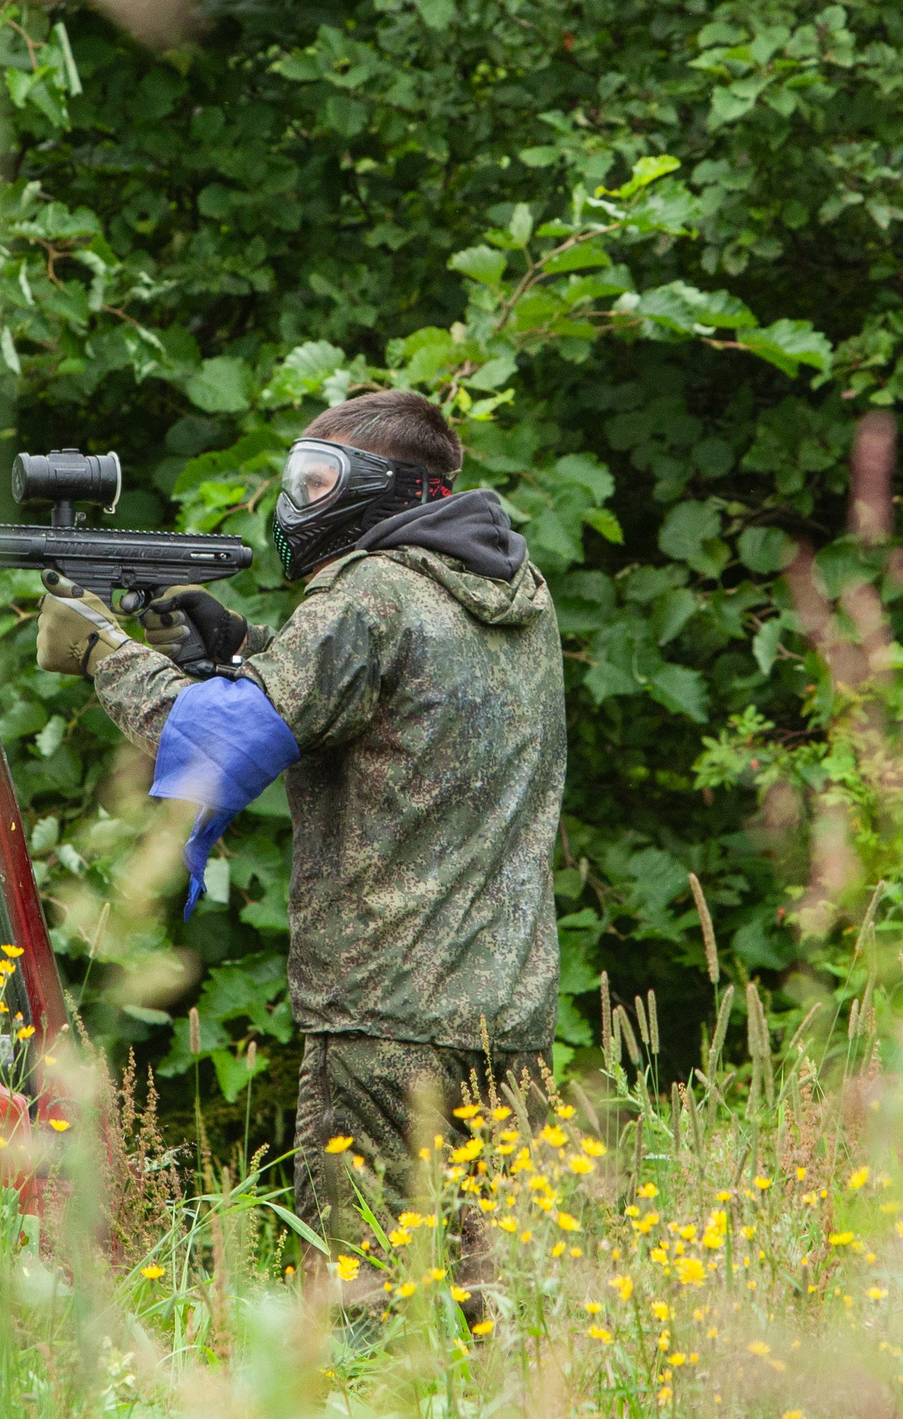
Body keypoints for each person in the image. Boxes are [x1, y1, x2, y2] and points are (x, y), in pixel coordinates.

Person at [36, 389, 566, 1300]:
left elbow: (214, 743)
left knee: (364, 1310)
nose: (299, 502)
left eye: (319, 480)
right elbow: (383, 705)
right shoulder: (511, 593)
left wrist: (101, 652)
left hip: (384, 1030)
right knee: (488, 1309)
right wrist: (240, 643)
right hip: (508, 1018)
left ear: (394, 490)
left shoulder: (371, 592)